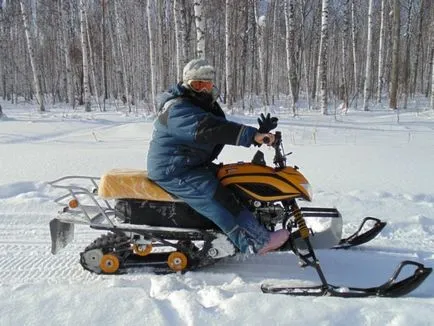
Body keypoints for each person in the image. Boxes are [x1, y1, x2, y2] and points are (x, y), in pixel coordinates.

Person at [146, 58, 289, 254]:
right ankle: (256, 240)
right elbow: (209, 129)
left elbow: (219, 127)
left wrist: (258, 135)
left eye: (208, 84)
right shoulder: (178, 109)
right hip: (174, 169)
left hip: (191, 163)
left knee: (235, 182)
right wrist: (251, 136)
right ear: (187, 84)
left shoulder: (198, 103)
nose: (204, 89)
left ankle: (253, 224)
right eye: (198, 85)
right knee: (218, 198)